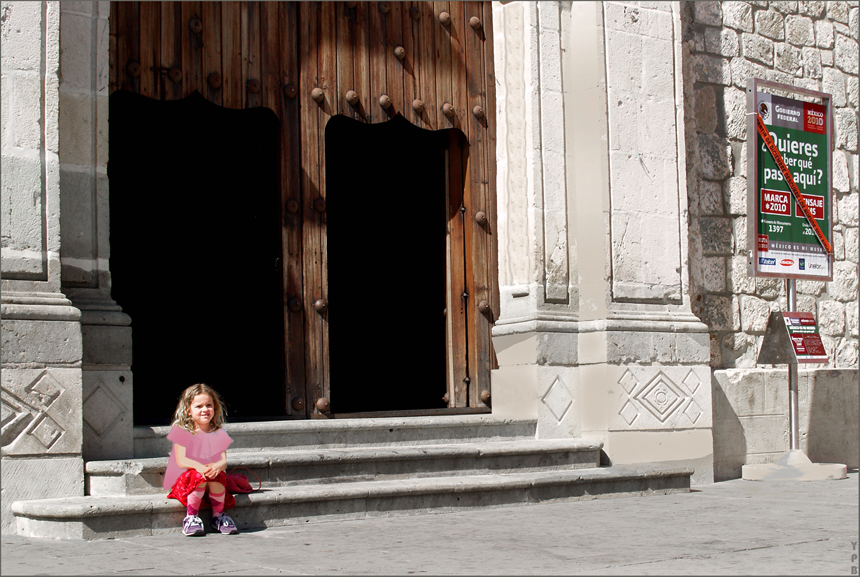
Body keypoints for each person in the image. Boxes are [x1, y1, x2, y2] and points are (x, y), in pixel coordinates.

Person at [164, 383, 239, 536]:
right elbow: (181, 460)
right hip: (187, 482)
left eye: (209, 405)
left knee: (218, 474)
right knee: (200, 475)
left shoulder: (218, 432)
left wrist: (217, 466)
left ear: (215, 407)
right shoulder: (182, 431)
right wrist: (200, 467)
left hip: (211, 480)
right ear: (188, 410)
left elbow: (223, 460)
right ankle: (191, 517)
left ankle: (218, 516)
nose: (205, 410)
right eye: (199, 406)